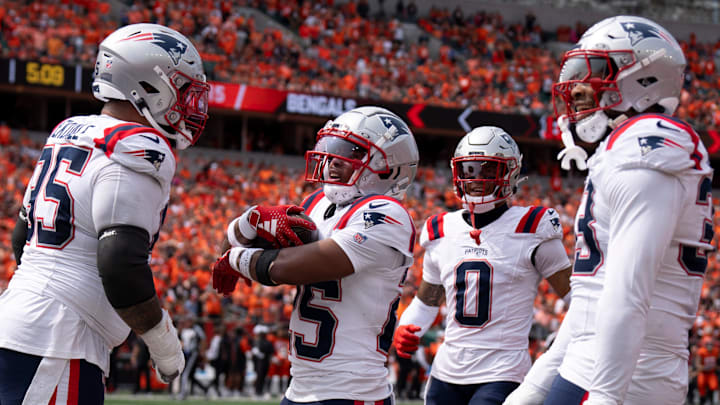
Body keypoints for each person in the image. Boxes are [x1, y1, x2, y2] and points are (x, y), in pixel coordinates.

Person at [504, 15, 714, 405]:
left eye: (596, 70)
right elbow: (591, 301)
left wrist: (605, 396)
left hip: (627, 376)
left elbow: (627, 293)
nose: (580, 87)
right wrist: (534, 386)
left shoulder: (649, 144)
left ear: (644, 78)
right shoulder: (620, 149)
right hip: (593, 364)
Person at [0, 23, 210, 403]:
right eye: (182, 89)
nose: (189, 103)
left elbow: (21, 238)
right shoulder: (138, 147)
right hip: (58, 342)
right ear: (149, 85)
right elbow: (120, 264)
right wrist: (164, 345)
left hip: (20, 323)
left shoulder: (70, 131)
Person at [212, 106, 419, 404]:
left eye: (350, 151)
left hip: (352, 392)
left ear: (387, 166)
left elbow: (284, 268)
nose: (333, 160)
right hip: (301, 388)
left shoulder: (387, 215)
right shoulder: (318, 204)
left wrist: (236, 261)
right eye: (332, 149)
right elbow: (227, 251)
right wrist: (249, 220)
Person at [393, 126, 571, 405]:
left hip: (502, 371)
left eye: (488, 170)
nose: (476, 179)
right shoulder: (440, 229)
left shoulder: (531, 226)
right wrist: (408, 325)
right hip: (446, 371)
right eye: (469, 169)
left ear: (510, 172)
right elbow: (427, 301)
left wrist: (558, 352)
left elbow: (577, 298)